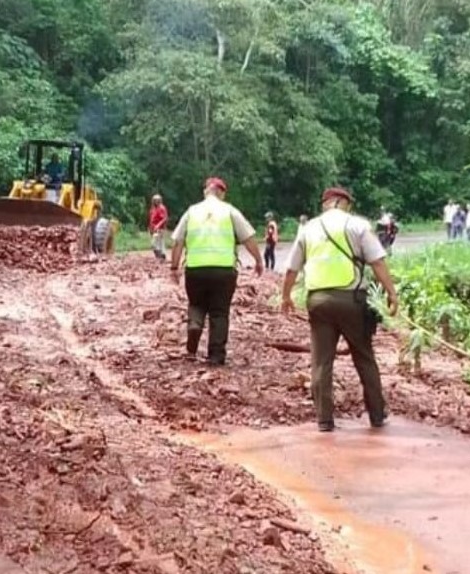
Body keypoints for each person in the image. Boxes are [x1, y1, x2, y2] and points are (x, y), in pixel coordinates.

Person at [281, 187, 398, 432]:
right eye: (348, 203)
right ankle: (377, 414)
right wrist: (391, 293)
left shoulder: (309, 228)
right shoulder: (357, 225)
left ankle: (324, 420)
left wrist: (286, 296)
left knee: (321, 361)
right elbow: (377, 261)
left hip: (318, 301)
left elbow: (292, 268)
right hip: (351, 300)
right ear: (340, 202)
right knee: (364, 356)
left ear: (326, 203)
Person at [170, 177, 263, 366]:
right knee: (219, 312)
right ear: (221, 193)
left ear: (206, 191)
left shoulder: (192, 211)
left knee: (196, 304)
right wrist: (258, 260)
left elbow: (178, 241)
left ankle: (194, 328)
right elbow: (248, 238)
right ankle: (216, 355)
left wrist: (174, 267)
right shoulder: (230, 211)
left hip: (195, 269)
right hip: (223, 271)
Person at [149, 194, 168, 261]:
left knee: (155, 244)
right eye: (154, 200)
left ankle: (161, 257)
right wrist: (150, 228)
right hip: (154, 228)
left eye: (157, 200)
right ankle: (161, 257)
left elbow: (164, 218)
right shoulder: (153, 208)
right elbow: (151, 219)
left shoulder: (161, 208)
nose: (155, 201)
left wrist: (158, 225)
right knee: (158, 244)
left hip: (159, 229)